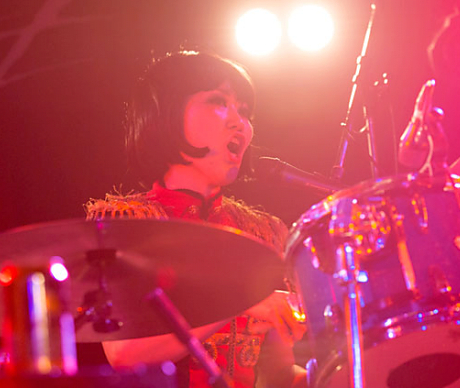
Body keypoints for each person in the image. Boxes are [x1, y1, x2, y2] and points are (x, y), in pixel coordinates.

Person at [84, 51, 307, 387]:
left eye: (244, 111)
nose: (239, 121)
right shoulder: (126, 222)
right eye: (219, 101)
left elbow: (279, 373)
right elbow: (125, 354)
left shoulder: (263, 232)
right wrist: (242, 302)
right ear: (165, 114)